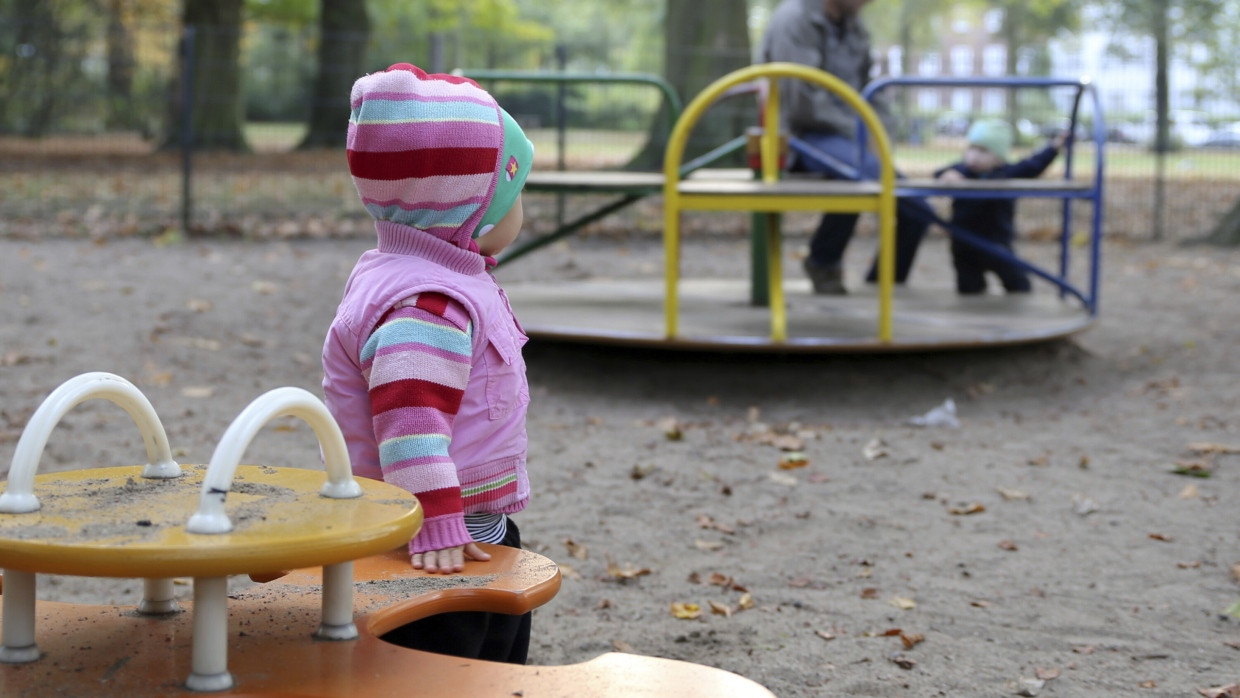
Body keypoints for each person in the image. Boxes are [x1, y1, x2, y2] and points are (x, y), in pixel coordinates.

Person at [321, 62, 534, 663]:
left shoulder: (432, 276)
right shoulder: (428, 305)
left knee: (497, 647)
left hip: (459, 523)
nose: (524, 211)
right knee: (449, 663)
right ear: (474, 213)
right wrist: (434, 520)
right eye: (516, 194)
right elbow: (409, 424)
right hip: (434, 542)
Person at [760, 0, 937, 295]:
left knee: (915, 208)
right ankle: (824, 260)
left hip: (846, 137)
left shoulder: (854, 26)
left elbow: (870, 90)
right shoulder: (795, 19)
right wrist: (859, 133)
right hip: (799, 136)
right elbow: (802, 102)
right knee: (860, 171)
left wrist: (881, 132)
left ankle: (884, 291)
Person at [935, 119, 1069, 295]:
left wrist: (1054, 147)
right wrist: (947, 175)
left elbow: (1033, 165)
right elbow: (939, 174)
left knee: (1018, 285)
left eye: (983, 150)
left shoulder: (1007, 173)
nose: (973, 155)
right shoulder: (962, 171)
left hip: (997, 244)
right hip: (964, 244)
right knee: (969, 289)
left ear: (998, 157)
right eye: (971, 148)